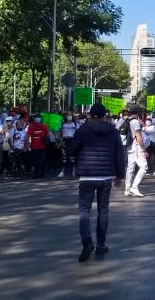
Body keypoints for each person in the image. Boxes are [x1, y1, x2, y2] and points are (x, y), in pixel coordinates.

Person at [68, 103, 125, 262]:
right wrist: (120, 176)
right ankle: (101, 244)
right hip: (106, 176)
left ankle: (87, 242)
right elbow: (119, 154)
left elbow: (72, 149)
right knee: (103, 210)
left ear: (90, 114)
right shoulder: (113, 131)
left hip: (86, 175)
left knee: (84, 210)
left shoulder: (83, 130)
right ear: (104, 115)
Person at [123, 107, 148, 197]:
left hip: (129, 146)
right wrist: (144, 149)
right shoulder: (136, 122)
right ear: (138, 113)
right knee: (144, 167)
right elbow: (139, 137)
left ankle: (127, 189)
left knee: (130, 168)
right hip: (136, 146)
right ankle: (134, 187)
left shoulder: (127, 120)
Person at [58, 114, 79, 178]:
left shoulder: (75, 124)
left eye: (70, 115)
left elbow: (78, 133)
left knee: (72, 157)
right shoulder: (62, 124)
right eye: (68, 115)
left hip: (72, 140)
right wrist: (60, 141)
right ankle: (63, 172)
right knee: (64, 157)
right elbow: (59, 132)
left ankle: (73, 172)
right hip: (64, 140)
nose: (69, 117)